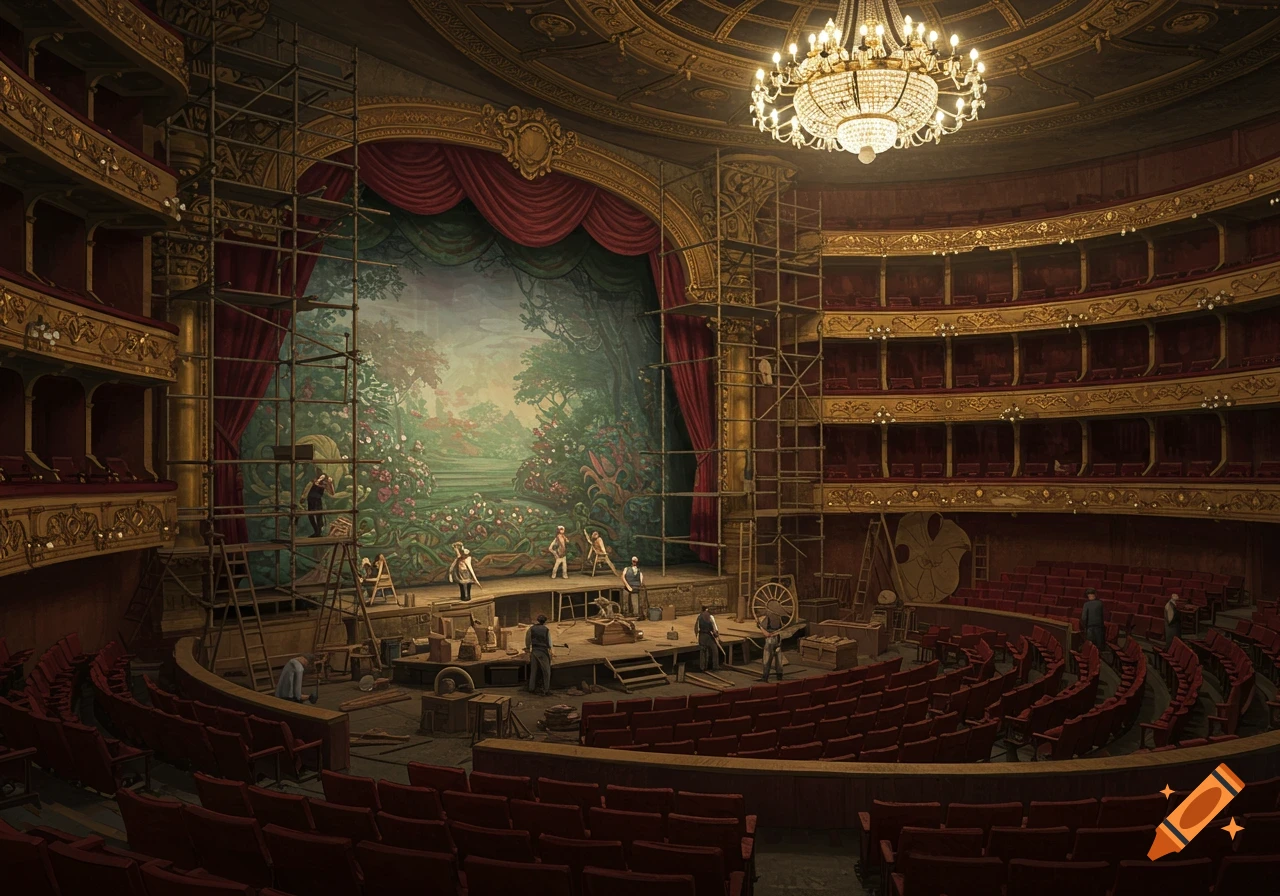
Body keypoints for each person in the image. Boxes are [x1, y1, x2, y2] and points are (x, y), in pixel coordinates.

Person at [525, 614, 552, 696]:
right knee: (546, 671)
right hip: (543, 651)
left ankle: (531, 688)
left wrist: (527, 647)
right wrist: (550, 651)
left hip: (534, 651)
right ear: (544, 622)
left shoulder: (531, 629)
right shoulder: (546, 630)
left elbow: (527, 639)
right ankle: (546, 689)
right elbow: (549, 643)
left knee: (533, 671)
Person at [305, 467, 334, 537]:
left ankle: (318, 531)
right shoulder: (314, 481)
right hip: (311, 499)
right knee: (311, 515)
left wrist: (330, 483)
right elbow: (307, 488)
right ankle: (316, 531)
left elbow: (332, 493)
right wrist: (303, 496)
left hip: (317, 499)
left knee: (318, 515)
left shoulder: (324, 483)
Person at [758, 614, 784, 682]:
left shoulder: (769, 619)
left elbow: (767, 634)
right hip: (778, 640)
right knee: (778, 660)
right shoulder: (778, 618)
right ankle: (779, 677)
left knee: (767, 660)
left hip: (771, 641)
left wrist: (760, 626)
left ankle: (765, 677)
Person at [1079, 587, 1106, 652]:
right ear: (1095, 595)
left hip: (1089, 626)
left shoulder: (1086, 604)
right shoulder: (1100, 603)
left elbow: (1083, 617)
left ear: (1088, 595)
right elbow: (1102, 616)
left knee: (1090, 644)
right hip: (1099, 626)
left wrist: (1084, 626)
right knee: (1099, 644)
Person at [695, 605, 720, 672]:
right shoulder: (710, 617)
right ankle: (715, 666)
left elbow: (696, 628)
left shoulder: (699, 617)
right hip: (709, 635)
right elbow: (714, 627)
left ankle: (702, 667)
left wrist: (697, 637)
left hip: (702, 636)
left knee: (703, 651)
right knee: (715, 650)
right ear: (707, 609)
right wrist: (716, 635)